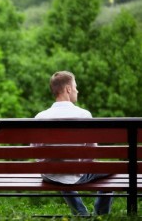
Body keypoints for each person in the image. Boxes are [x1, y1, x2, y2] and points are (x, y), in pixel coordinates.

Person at [34, 71, 113, 216]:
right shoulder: (84, 115)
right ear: (68, 89)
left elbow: (36, 152)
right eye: (75, 86)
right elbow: (92, 153)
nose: (77, 90)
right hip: (75, 173)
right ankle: (100, 215)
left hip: (50, 174)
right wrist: (78, 165)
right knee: (112, 169)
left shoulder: (40, 117)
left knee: (63, 170)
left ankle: (81, 213)